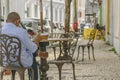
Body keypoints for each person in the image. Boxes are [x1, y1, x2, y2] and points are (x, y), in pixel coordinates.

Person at [1, 12, 41, 80]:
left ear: (6, 21)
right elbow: (33, 49)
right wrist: (37, 40)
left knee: (28, 54)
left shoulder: (1, 30)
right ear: (17, 21)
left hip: (5, 61)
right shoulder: (22, 32)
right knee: (32, 57)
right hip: (20, 62)